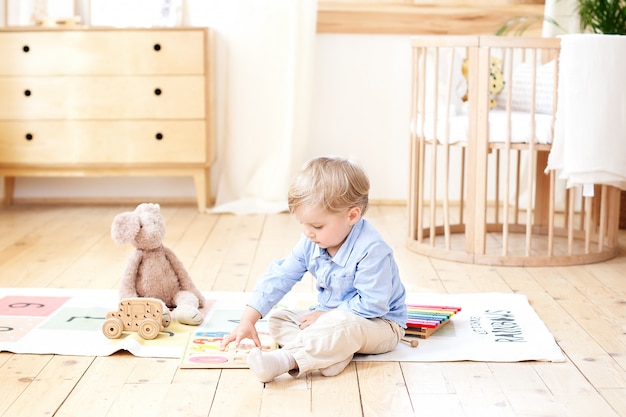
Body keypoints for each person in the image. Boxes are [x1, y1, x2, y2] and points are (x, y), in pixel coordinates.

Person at [219, 156, 407, 382]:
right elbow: (281, 276)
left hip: (379, 324)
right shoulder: (311, 241)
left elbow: (373, 304)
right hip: (329, 318)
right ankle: (329, 354)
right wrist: (248, 320)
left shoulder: (372, 250)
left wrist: (328, 315)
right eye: (303, 224)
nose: (308, 232)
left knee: (342, 326)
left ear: (352, 215)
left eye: (317, 226)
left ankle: (284, 360)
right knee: (279, 318)